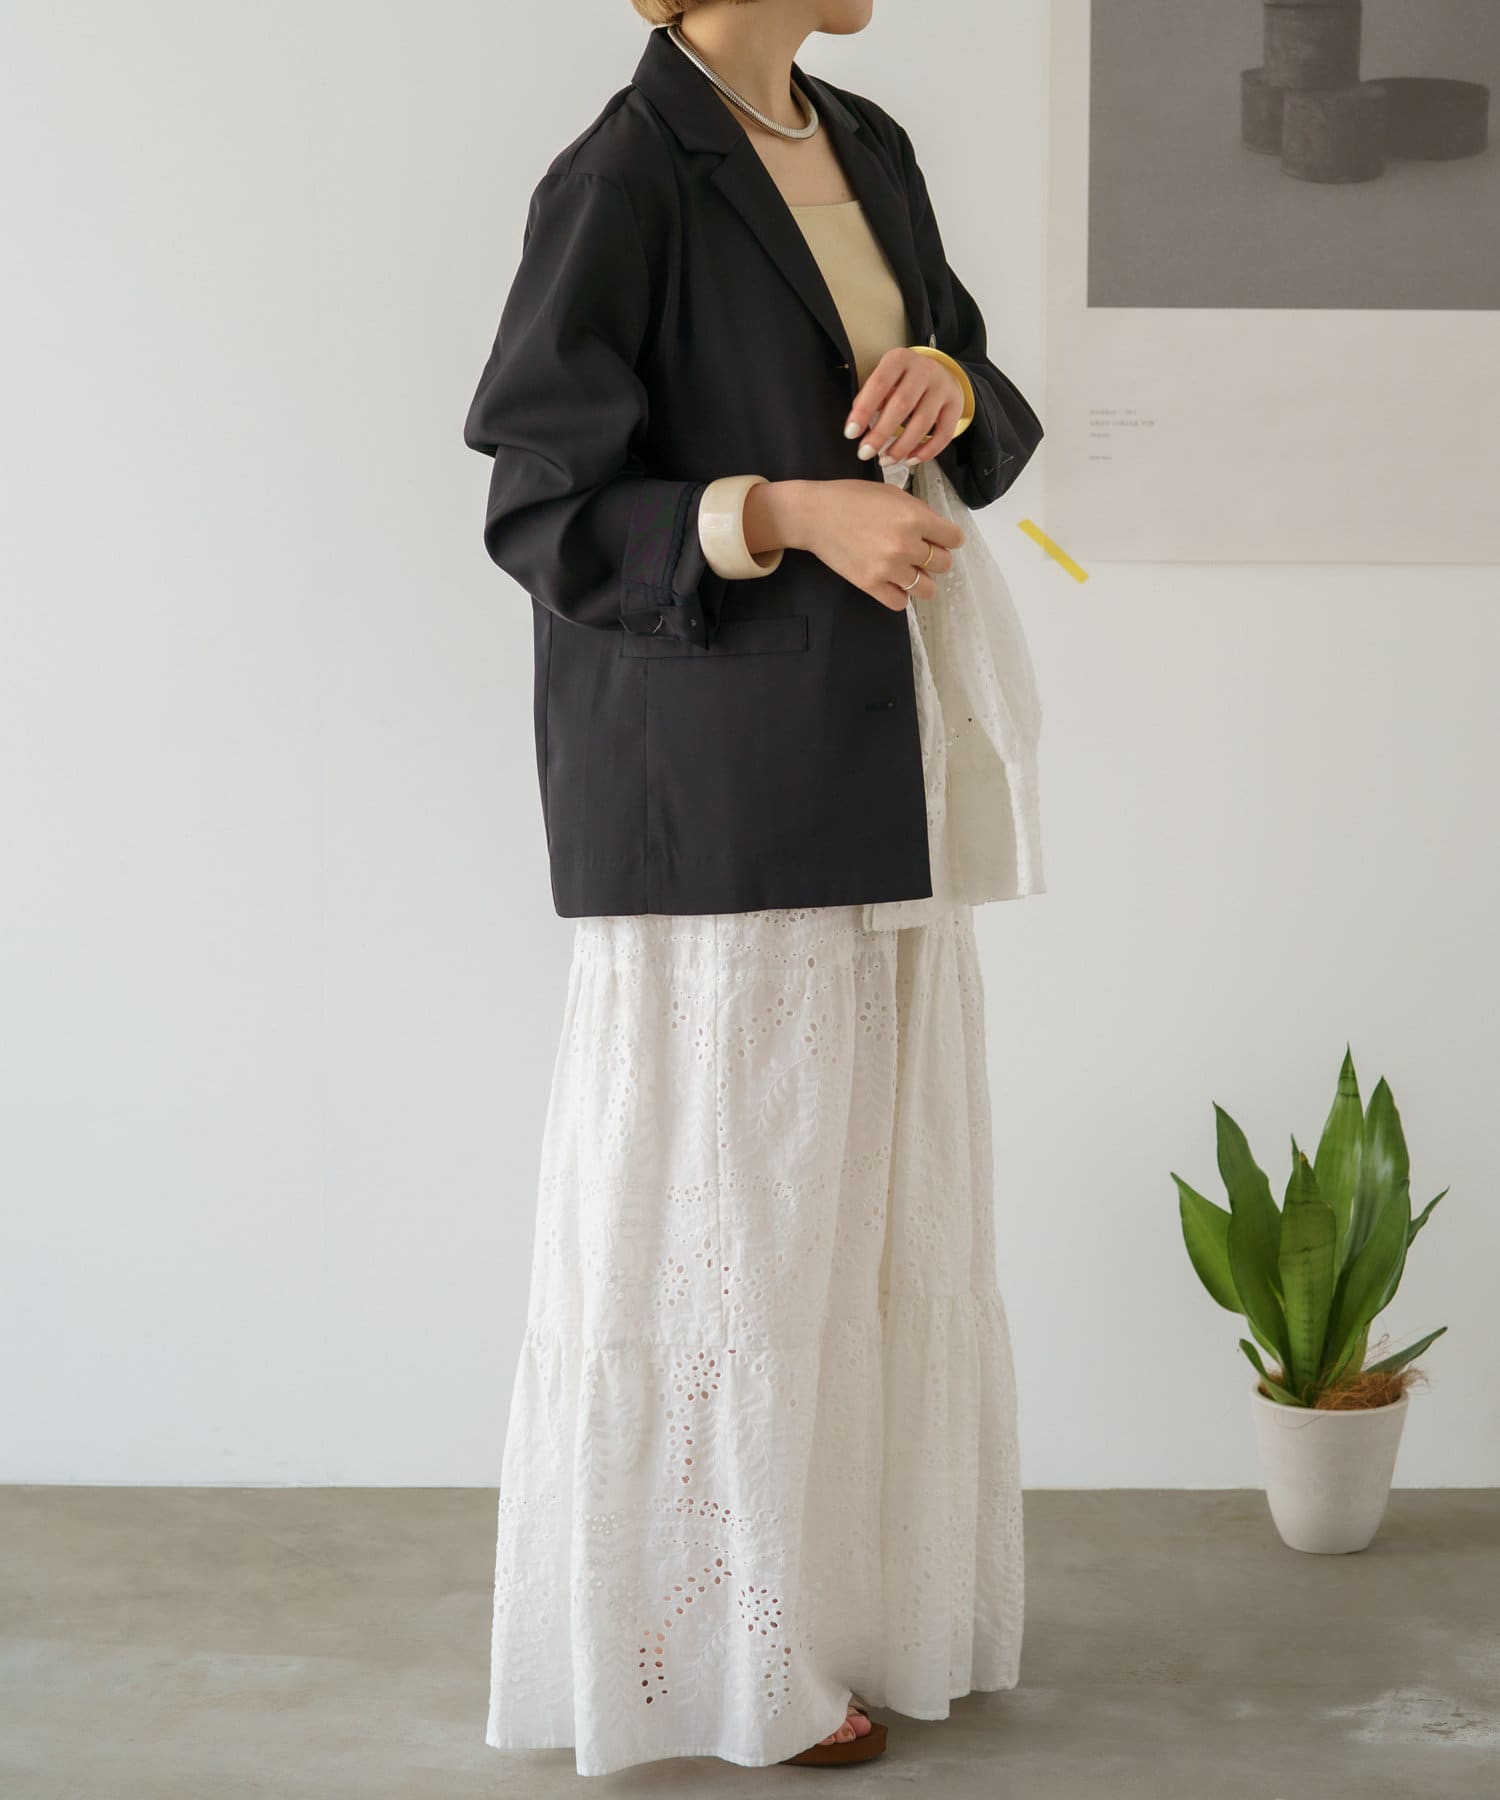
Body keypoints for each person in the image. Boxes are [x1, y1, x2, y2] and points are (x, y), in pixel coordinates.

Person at [462, 0, 1044, 1776]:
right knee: (734, 1226)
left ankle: (822, 1614)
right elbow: (542, 505)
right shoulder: (625, 173)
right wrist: (784, 514)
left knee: (846, 1219)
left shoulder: (864, 143)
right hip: (722, 782)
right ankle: (712, 1651)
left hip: (880, 750)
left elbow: (966, 385)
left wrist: (951, 383)